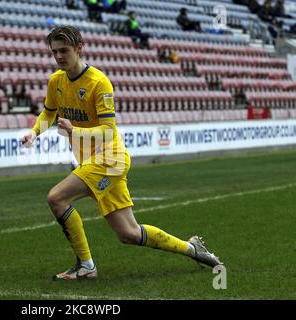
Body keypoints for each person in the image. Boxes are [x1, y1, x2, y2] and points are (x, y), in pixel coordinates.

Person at [22, 25, 223, 280]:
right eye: (55, 52)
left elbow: (108, 130)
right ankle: (193, 248)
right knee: (129, 233)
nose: (59, 57)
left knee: (57, 198)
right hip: (95, 162)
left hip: (110, 158)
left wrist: (74, 132)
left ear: (79, 48)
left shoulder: (98, 82)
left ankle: (86, 266)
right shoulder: (56, 81)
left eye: (64, 50)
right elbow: (49, 112)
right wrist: (34, 132)